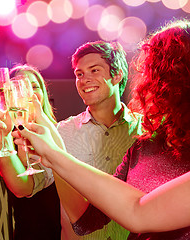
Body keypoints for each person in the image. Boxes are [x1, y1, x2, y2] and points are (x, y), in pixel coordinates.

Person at [14, 19, 190, 239]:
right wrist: (54, 150)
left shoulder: (140, 128)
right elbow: (85, 221)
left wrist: (54, 154)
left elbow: (137, 211)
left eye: (160, 70)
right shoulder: (143, 146)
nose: (147, 81)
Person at [55, 40, 142, 239]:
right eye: (79, 74)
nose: (84, 79)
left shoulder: (147, 131)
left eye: (94, 70)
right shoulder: (60, 133)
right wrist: (4, 143)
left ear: (117, 75)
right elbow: (24, 187)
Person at [0, 64, 61, 239]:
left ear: (42, 92)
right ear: (9, 94)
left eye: (34, 86)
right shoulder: (6, 137)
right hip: (28, 232)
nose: (28, 92)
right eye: (20, 86)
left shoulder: (61, 132)